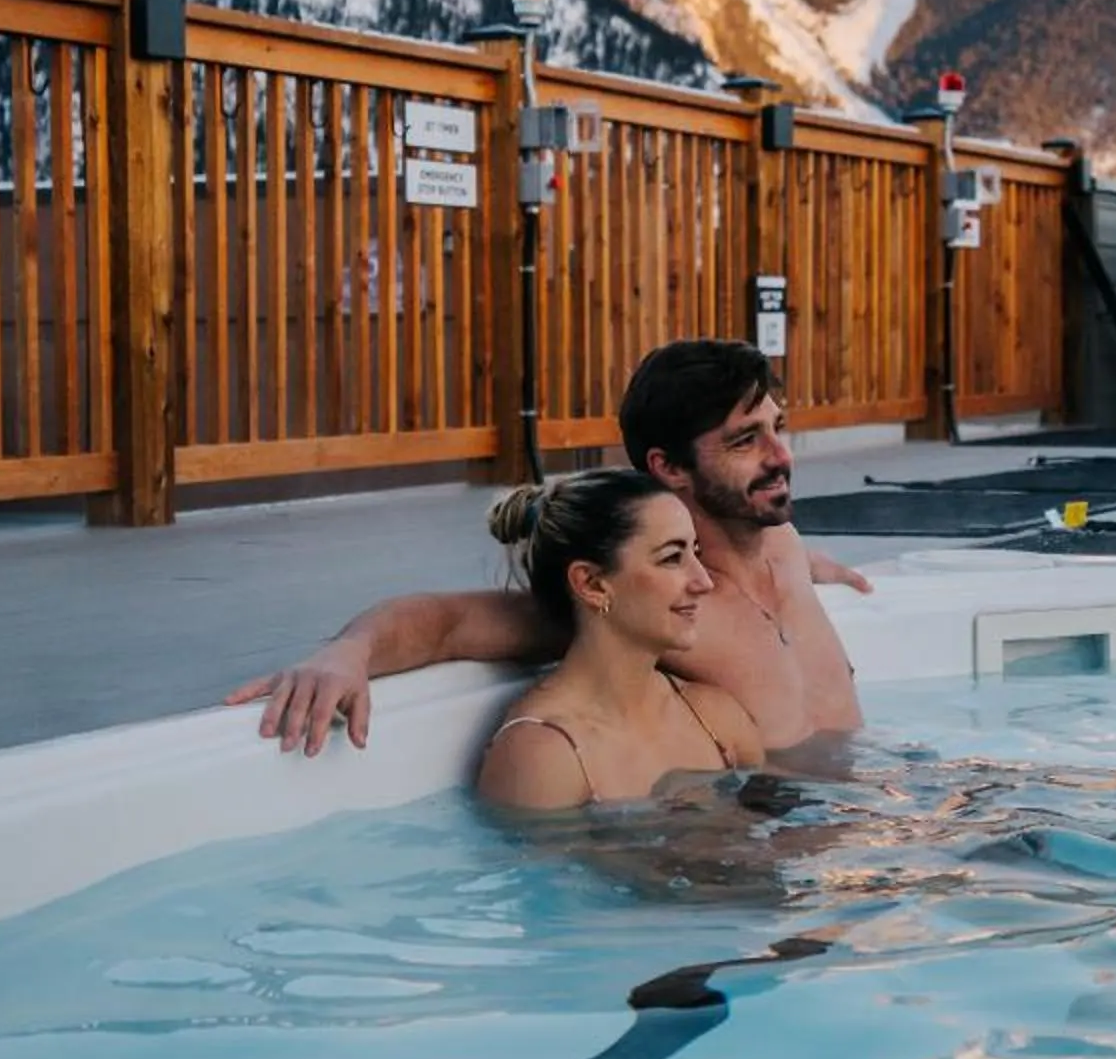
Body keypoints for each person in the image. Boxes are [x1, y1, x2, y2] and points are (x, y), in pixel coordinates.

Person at [230, 338, 873, 758]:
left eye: (778, 429)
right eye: (745, 441)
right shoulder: (652, 601)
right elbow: (447, 624)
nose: (780, 457)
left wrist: (814, 568)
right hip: (784, 850)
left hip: (881, 802)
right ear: (669, 468)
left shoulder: (781, 542)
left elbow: (768, 582)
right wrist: (348, 651)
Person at [473, 470, 764, 808]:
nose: (703, 581)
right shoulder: (543, 755)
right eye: (672, 558)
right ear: (592, 584)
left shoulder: (715, 716)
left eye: (695, 552)